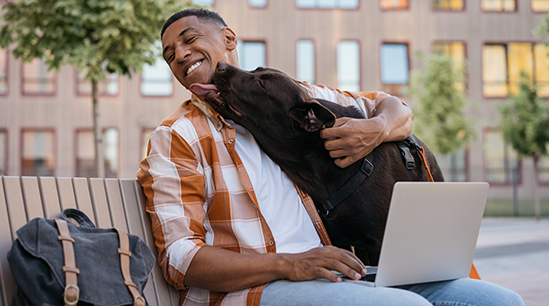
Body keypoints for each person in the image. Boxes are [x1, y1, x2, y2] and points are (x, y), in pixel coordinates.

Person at [138, 8, 524, 306]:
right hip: (253, 290)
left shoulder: (287, 94)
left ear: (228, 38)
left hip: (336, 274)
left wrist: (377, 128)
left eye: (190, 40)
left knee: (501, 300)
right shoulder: (177, 137)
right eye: (170, 54)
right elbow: (180, 259)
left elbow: (394, 108)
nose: (181, 55)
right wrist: (289, 263)